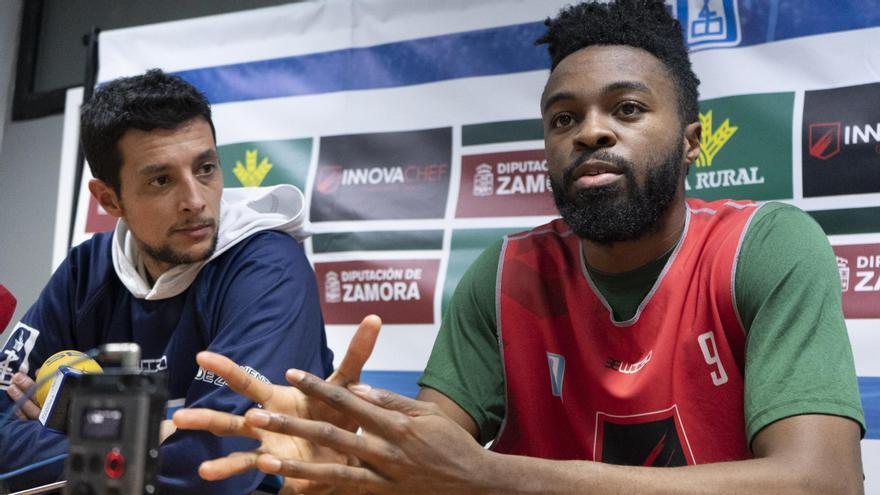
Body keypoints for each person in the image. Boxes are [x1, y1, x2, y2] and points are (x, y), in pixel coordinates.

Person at [173, 1, 865, 493]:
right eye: (565, 117)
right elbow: (433, 454)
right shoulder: (506, 273)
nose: (590, 132)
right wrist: (358, 457)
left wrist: (491, 475)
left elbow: (819, 481)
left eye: (626, 109)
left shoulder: (765, 246)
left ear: (691, 141)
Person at [0, 69, 339, 494]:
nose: (195, 201)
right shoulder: (85, 271)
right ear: (109, 199)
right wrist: (152, 439)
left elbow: (216, 467)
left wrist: (76, 440)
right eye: (162, 180)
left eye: (206, 169)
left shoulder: (268, 268)